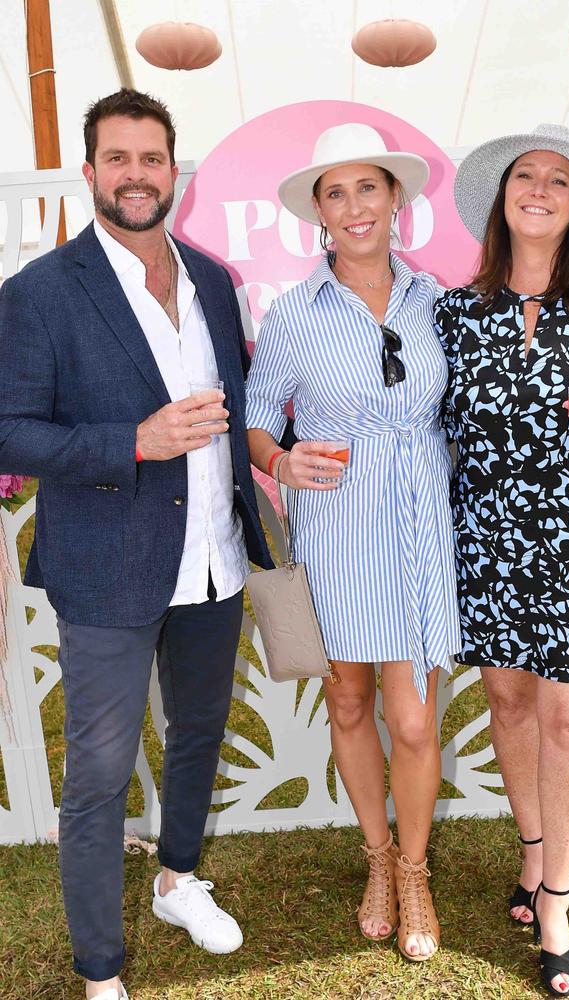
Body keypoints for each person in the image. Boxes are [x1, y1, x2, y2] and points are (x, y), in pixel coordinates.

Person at [0, 89, 273, 1000]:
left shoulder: (212, 280)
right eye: (116, 159)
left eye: (150, 159)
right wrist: (133, 440)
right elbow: (9, 431)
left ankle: (176, 879)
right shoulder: (40, 293)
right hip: (107, 566)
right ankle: (100, 972)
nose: (135, 175)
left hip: (213, 559)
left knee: (197, 732)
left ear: (173, 171)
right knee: (100, 774)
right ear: (90, 174)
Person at [436, 124, 569, 997]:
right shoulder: (455, 311)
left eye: (557, 180)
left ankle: (555, 905)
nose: (539, 188)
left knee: (568, 718)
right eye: (525, 176)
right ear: (502, 198)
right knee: (509, 701)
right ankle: (532, 858)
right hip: (486, 539)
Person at [246, 123, 461, 962]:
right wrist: (280, 459)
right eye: (334, 193)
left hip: (421, 525)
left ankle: (415, 871)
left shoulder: (437, 300)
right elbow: (260, 418)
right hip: (337, 525)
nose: (354, 206)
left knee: (412, 721)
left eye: (367, 187)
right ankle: (377, 860)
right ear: (319, 215)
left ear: (396, 197)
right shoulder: (295, 313)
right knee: (347, 701)